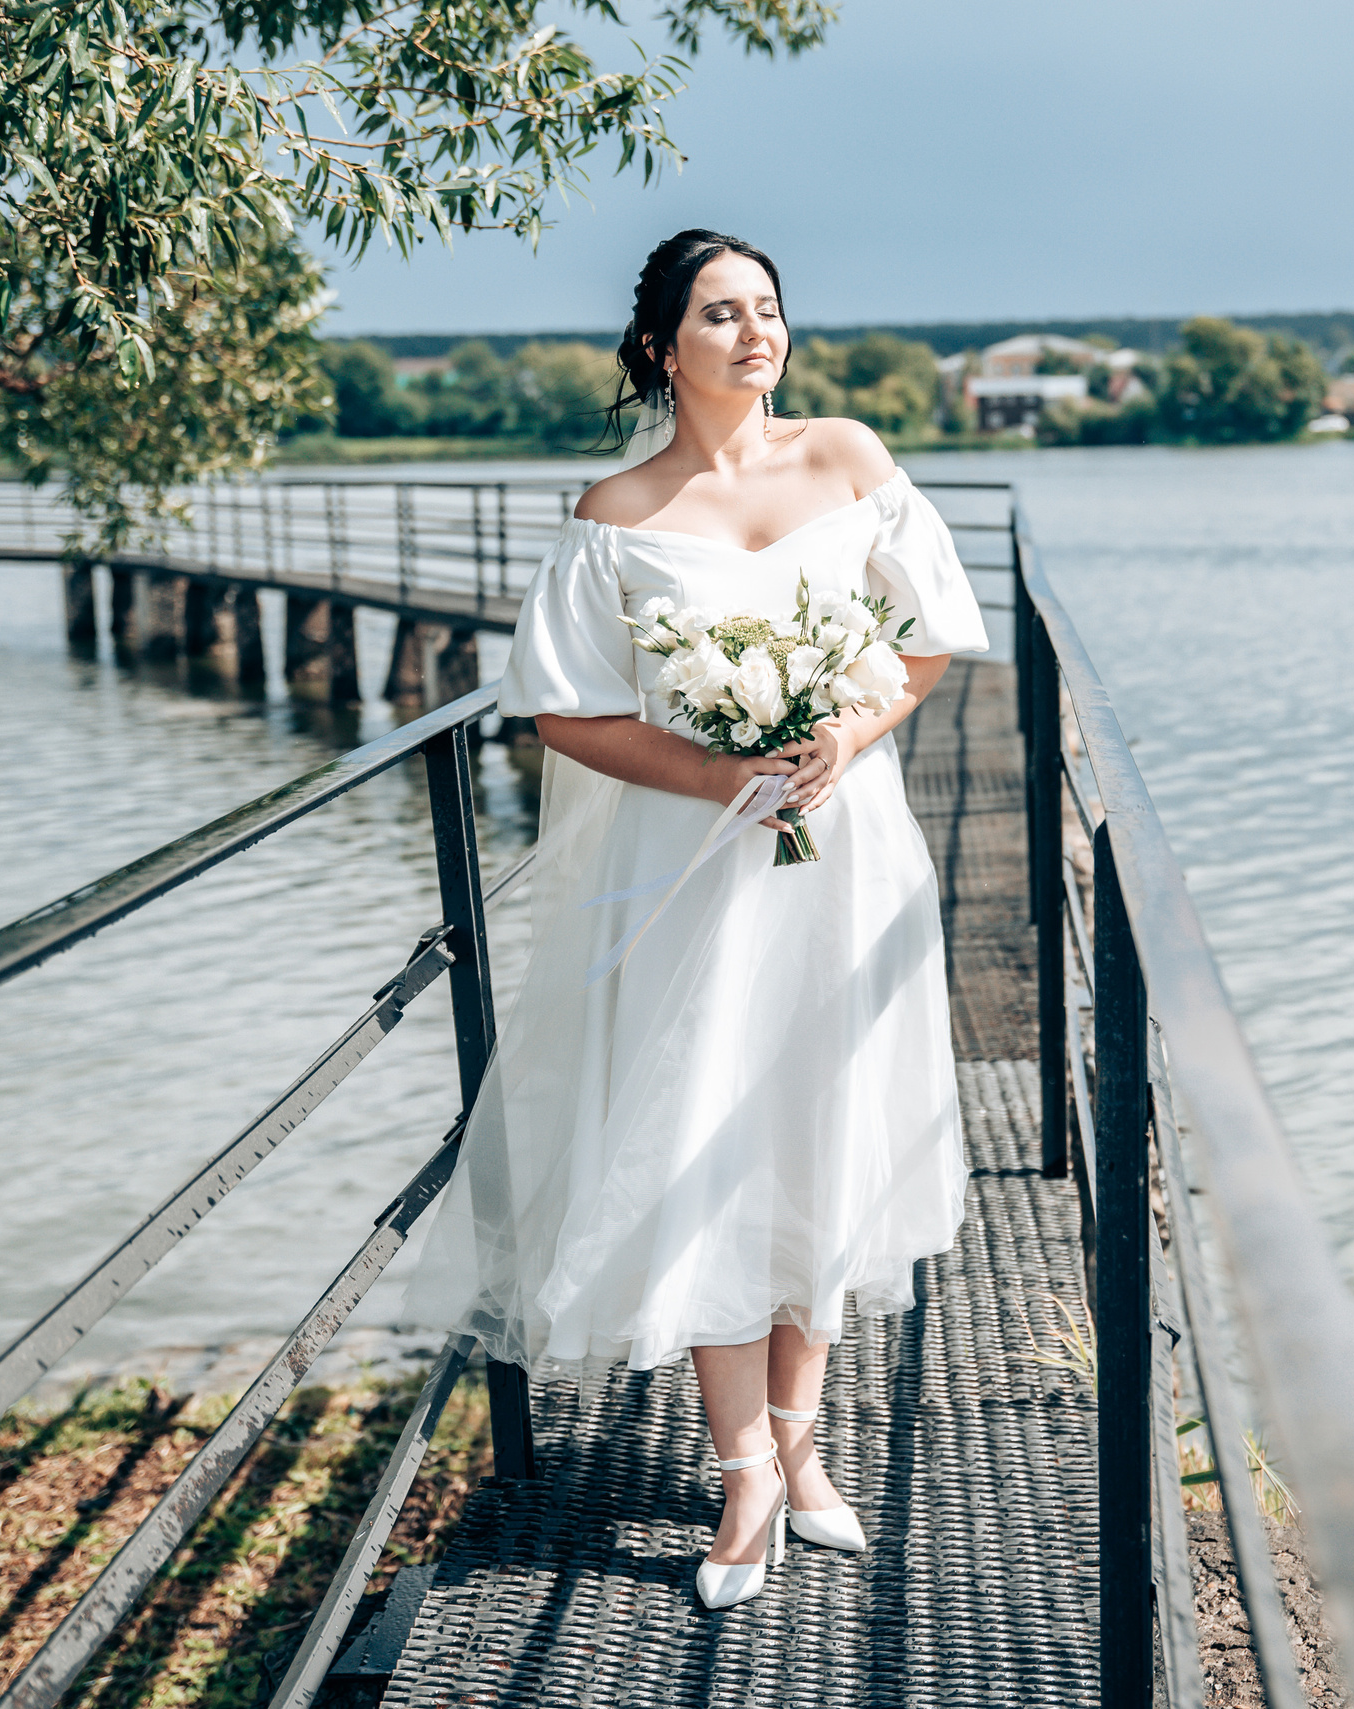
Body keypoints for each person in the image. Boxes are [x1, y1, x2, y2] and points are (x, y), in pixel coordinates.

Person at [402, 229, 987, 1611]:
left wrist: (846, 730)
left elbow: (927, 636)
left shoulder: (847, 457)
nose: (754, 332)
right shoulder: (616, 511)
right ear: (662, 346)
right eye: (721, 314)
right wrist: (725, 774)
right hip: (693, 864)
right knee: (701, 1135)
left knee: (821, 1127)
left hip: (845, 851)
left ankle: (804, 1447)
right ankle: (742, 1475)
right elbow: (564, 712)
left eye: (768, 309)